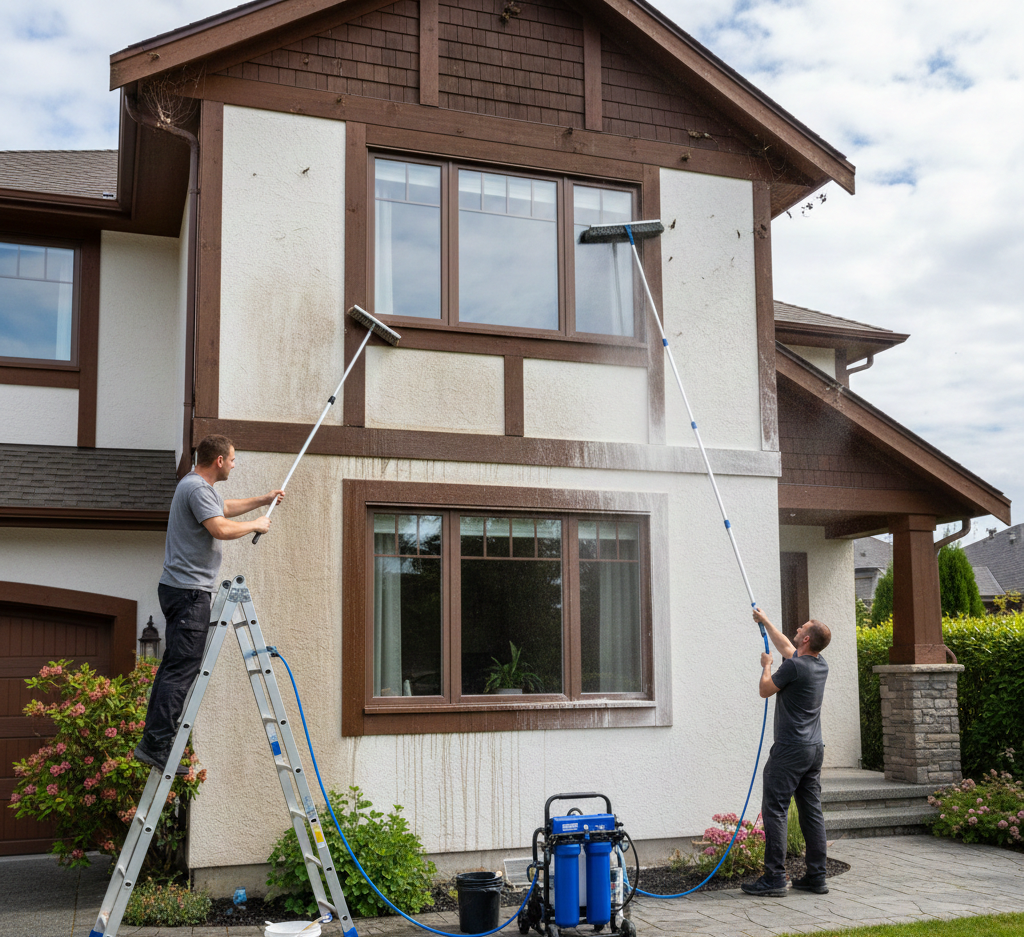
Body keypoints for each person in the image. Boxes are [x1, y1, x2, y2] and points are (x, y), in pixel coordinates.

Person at [135, 435, 284, 774]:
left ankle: (153, 740)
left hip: (181, 590)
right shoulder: (197, 489)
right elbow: (218, 527)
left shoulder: (196, 487)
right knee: (182, 669)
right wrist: (256, 526)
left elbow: (223, 508)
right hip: (189, 594)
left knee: (174, 667)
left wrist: (263, 500)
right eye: (232, 459)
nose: (234, 463)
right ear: (218, 460)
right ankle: (157, 744)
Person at [741, 607, 832, 897]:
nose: (796, 629)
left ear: (806, 638)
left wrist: (766, 665)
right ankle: (817, 877)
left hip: (790, 750)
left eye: (801, 628)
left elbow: (766, 690)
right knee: (811, 812)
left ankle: (775, 878)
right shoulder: (819, 664)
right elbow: (787, 646)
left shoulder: (794, 667)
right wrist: (765, 621)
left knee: (775, 809)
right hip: (813, 749)